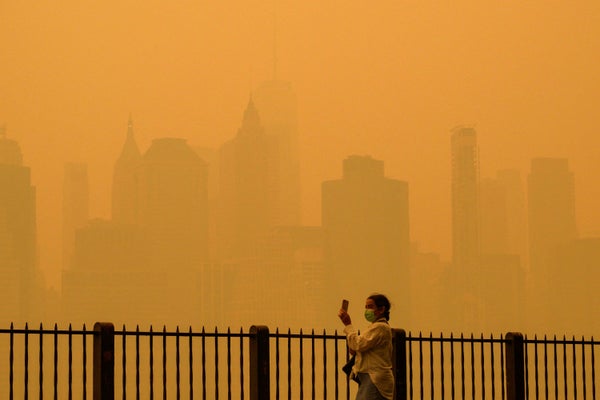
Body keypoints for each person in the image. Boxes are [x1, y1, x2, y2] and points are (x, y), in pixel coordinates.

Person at [338, 293, 394, 400]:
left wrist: (348, 325)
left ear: (381, 309)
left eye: (370, 307)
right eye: (366, 307)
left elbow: (358, 344)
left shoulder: (380, 327)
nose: (367, 310)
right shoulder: (374, 327)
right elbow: (356, 348)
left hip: (374, 379)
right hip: (368, 378)